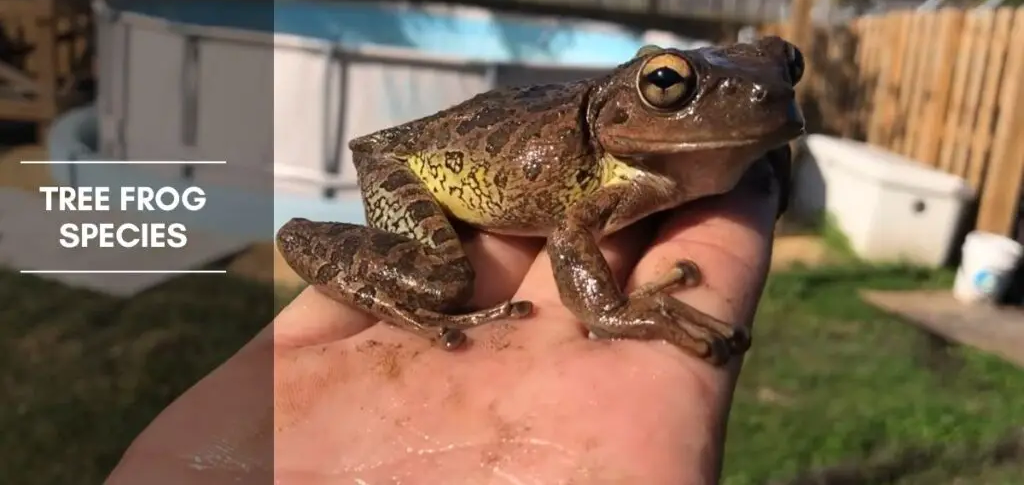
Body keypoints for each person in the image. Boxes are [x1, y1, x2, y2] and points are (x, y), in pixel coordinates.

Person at [104, 153, 788, 485]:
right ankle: (405, 299)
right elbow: (574, 233)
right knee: (446, 278)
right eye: (667, 83)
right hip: (412, 167)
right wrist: (613, 310)